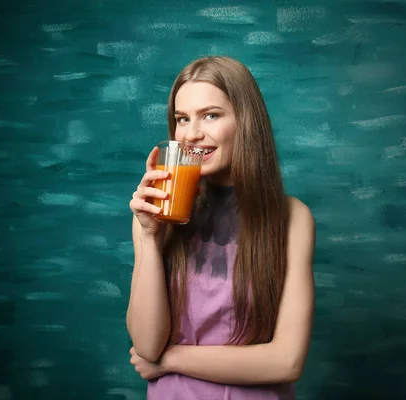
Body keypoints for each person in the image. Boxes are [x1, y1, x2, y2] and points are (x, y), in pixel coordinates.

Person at [127, 55, 316, 400]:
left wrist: (170, 359)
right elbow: (146, 344)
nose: (192, 134)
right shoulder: (154, 212)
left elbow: (286, 362)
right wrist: (151, 238)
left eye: (211, 115)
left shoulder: (293, 217)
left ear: (245, 122)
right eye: (182, 119)